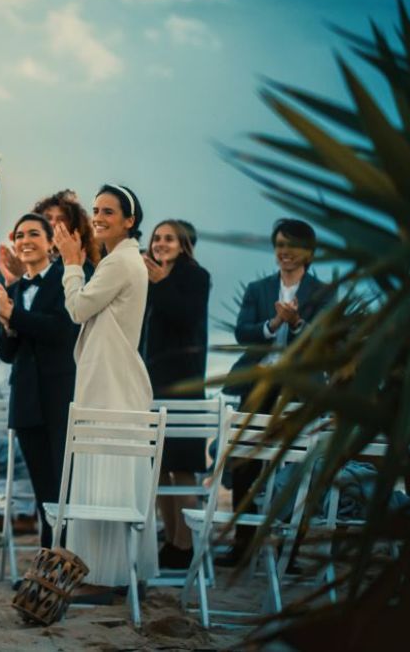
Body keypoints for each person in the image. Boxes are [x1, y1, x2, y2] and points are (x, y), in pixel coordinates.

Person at [52, 183, 157, 593]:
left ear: (130, 221)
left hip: (110, 382)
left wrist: (71, 263)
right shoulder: (124, 260)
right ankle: (116, 573)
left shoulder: (119, 263)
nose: (98, 217)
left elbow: (77, 309)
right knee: (112, 476)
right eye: (95, 210)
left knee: (105, 478)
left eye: (108, 211)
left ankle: (101, 576)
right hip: (114, 378)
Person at [218, 218, 329, 567]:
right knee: (245, 463)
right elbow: (242, 333)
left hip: (299, 388)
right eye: (280, 245)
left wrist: (296, 324)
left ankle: (288, 548)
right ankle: (243, 545)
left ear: (308, 252)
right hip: (258, 384)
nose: (285, 252)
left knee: (294, 466)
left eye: (292, 246)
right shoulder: (258, 289)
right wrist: (274, 323)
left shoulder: (322, 293)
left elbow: (324, 341)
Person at [0, 206, 90, 549]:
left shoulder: (64, 280)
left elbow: (62, 331)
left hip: (61, 397)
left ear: (51, 243)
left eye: (33, 234)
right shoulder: (15, 290)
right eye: (19, 235)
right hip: (26, 401)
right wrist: (6, 325)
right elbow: (7, 353)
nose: (25, 240)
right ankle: (48, 560)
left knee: (64, 486)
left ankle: (62, 560)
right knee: (41, 490)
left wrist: (13, 315)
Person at [140, 219, 211, 570]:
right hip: (150, 381)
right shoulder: (148, 276)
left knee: (182, 466)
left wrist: (160, 282)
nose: (160, 243)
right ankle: (170, 539)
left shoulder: (195, 276)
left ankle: (187, 544)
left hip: (184, 383)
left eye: (169, 238)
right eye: (157, 237)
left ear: (184, 245)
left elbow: (186, 318)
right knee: (159, 466)